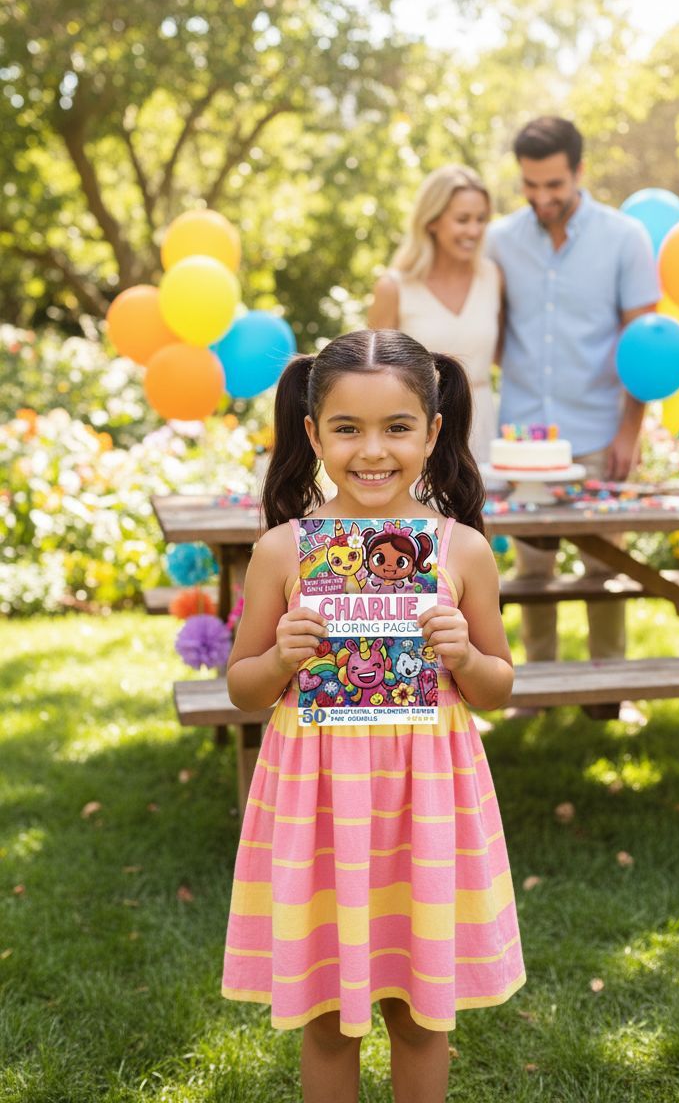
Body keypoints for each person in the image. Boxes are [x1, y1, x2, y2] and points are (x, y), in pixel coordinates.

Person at [222, 329, 525, 1103]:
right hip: (320, 807)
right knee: (329, 1017)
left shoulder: (462, 552)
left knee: (421, 1012)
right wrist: (281, 658)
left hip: (424, 806)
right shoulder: (284, 552)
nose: (372, 450)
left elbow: (498, 686)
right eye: (348, 428)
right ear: (313, 432)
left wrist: (465, 657)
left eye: (396, 427)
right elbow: (243, 689)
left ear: (433, 430)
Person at [486, 116, 659, 699]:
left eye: (554, 185)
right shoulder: (500, 240)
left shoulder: (625, 238)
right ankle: (536, 690)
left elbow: (646, 341)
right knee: (532, 568)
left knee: (605, 569)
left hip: (597, 432)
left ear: (580, 172)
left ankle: (607, 692)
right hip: (524, 437)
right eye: (530, 185)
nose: (542, 198)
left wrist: (629, 432)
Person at [367, 165, 501, 463]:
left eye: (481, 220)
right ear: (432, 221)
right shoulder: (394, 287)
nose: (474, 231)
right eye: (462, 220)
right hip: (419, 431)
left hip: (482, 425)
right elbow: (372, 377)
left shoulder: (492, 277)